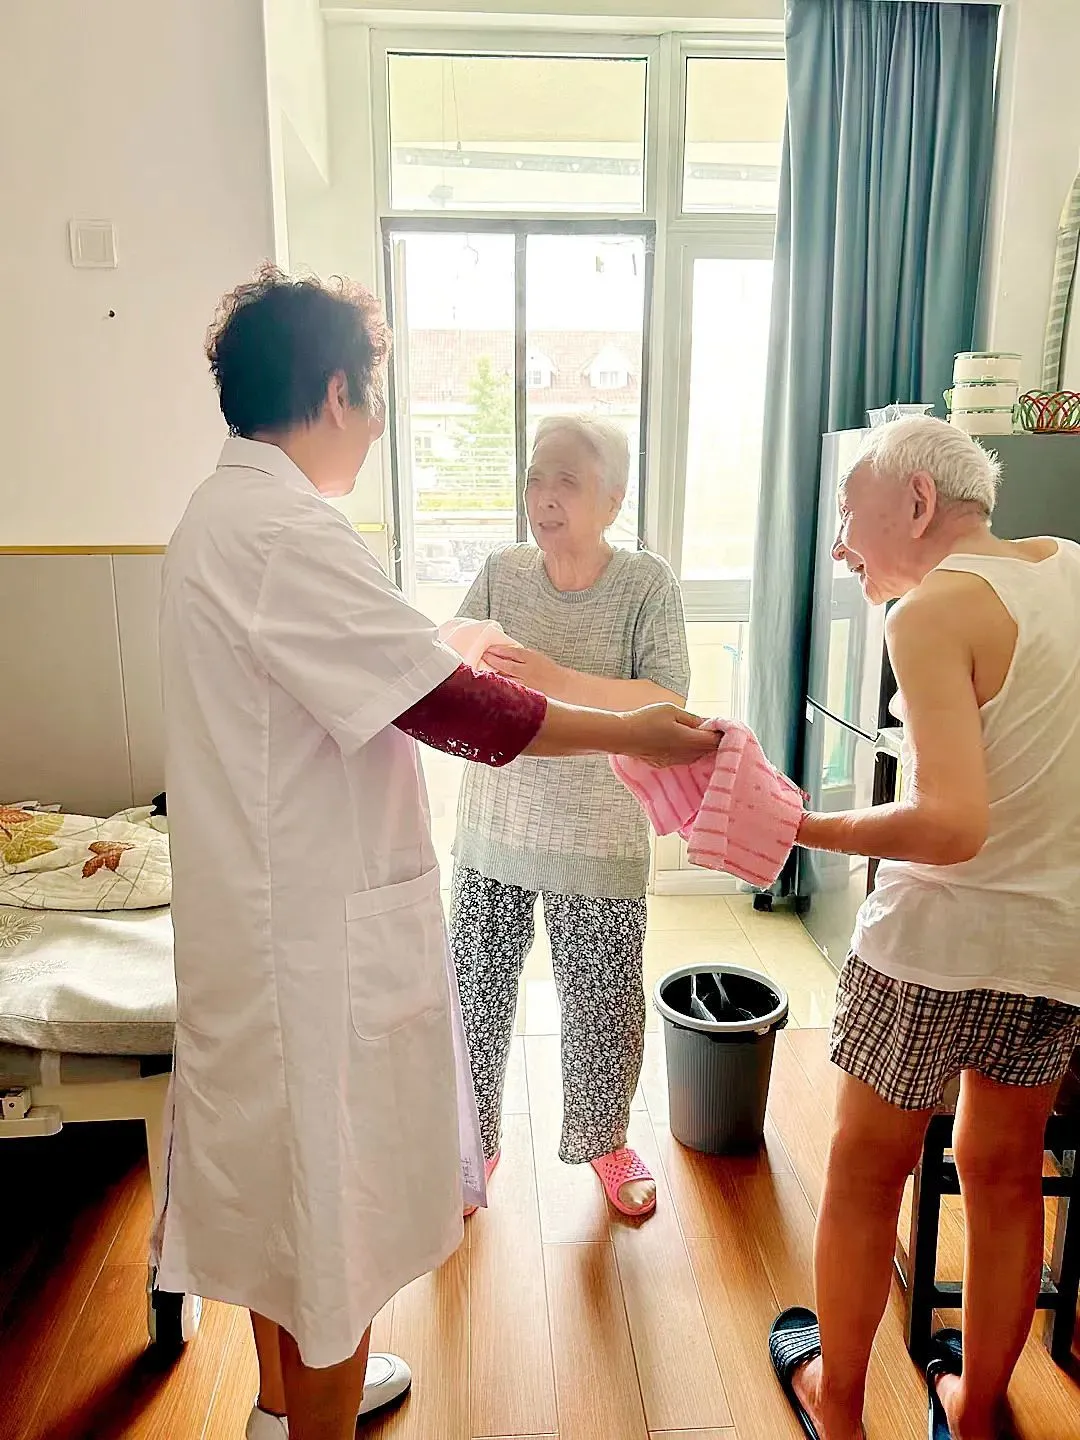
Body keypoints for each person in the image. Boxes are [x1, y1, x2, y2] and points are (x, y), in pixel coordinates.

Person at [154, 266, 718, 1440]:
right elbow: (462, 712)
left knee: (284, 1206)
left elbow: (367, 661)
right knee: (331, 1216)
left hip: (262, 927)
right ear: (334, 390)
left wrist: (441, 643)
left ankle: (282, 1406)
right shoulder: (286, 534)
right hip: (309, 947)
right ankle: (309, 1414)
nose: (374, 425)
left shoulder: (224, 514)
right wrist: (637, 731)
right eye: (372, 396)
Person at [768, 416, 1080, 1440]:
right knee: (1006, 1178)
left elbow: (949, 825)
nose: (840, 546)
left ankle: (842, 1408)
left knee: (866, 1174)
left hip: (930, 948)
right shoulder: (1072, 569)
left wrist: (802, 824)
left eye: (847, 515)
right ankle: (976, 1411)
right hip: (1054, 947)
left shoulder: (934, 609)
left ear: (915, 501)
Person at [450, 415, 691, 1220]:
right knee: (475, 998)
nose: (544, 498)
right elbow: (454, 665)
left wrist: (554, 678)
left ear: (613, 501)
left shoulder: (646, 583)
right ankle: (475, 1143)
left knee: (603, 1005)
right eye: (534, 479)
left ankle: (605, 1141)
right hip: (495, 829)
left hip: (598, 835)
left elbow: (666, 700)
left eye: (567, 482)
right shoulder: (500, 572)